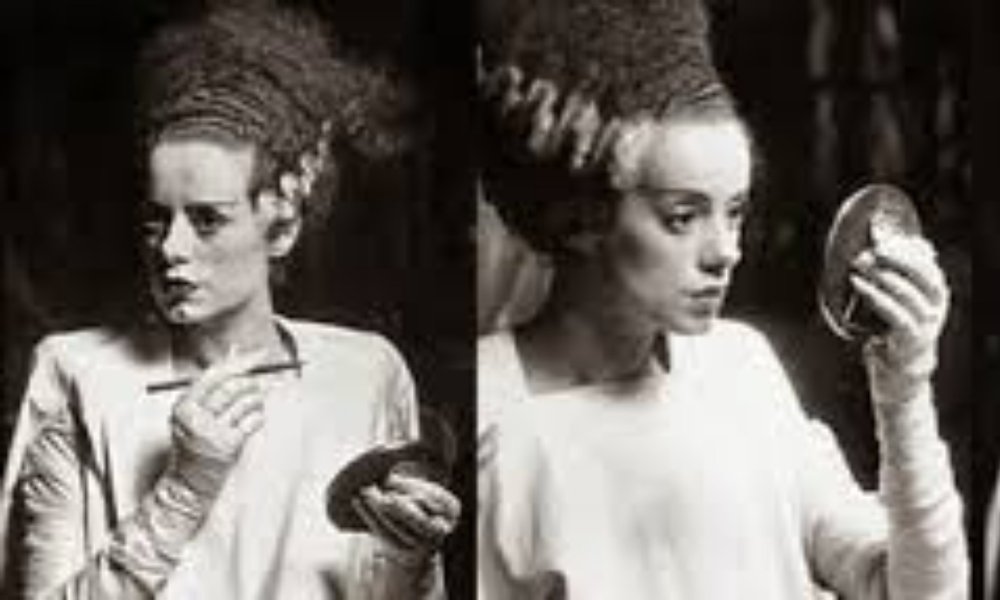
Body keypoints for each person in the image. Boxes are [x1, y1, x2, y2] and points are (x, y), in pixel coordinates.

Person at [475, 0, 968, 597]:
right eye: (683, 216)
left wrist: (905, 390)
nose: (726, 252)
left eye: (734, 212)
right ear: (580, 214)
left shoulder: (739, 368)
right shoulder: (490, 413)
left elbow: (916, 590)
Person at [0, 6, 460, 598]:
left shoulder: (366, 372)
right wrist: (183, 490)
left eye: (208, 220)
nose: (171, 248)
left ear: (283, 223)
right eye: (156, 219)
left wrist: (410, 555)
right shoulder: (78, 373)